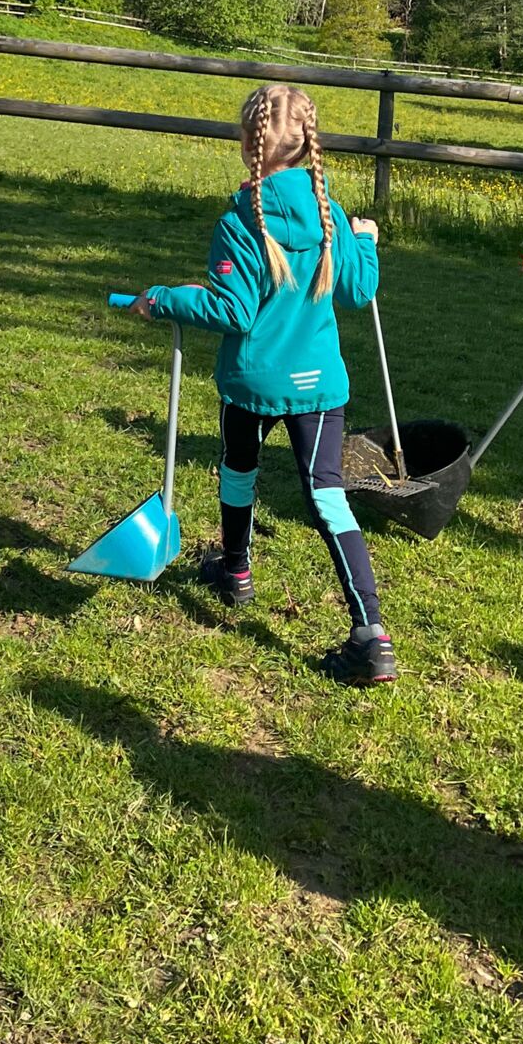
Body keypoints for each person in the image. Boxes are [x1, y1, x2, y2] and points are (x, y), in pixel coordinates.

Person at [133, 83, 394, 683]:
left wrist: (163, 299)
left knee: (239, 470)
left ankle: (238, 567)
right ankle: (371, 632)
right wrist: (365, 242)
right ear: (306, 144)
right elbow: (359, 289)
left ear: (247, 142)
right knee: (327, 497)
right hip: (319, 385)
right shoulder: (328, 211)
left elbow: (233, 312)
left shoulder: (239, 221)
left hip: (253, 382)